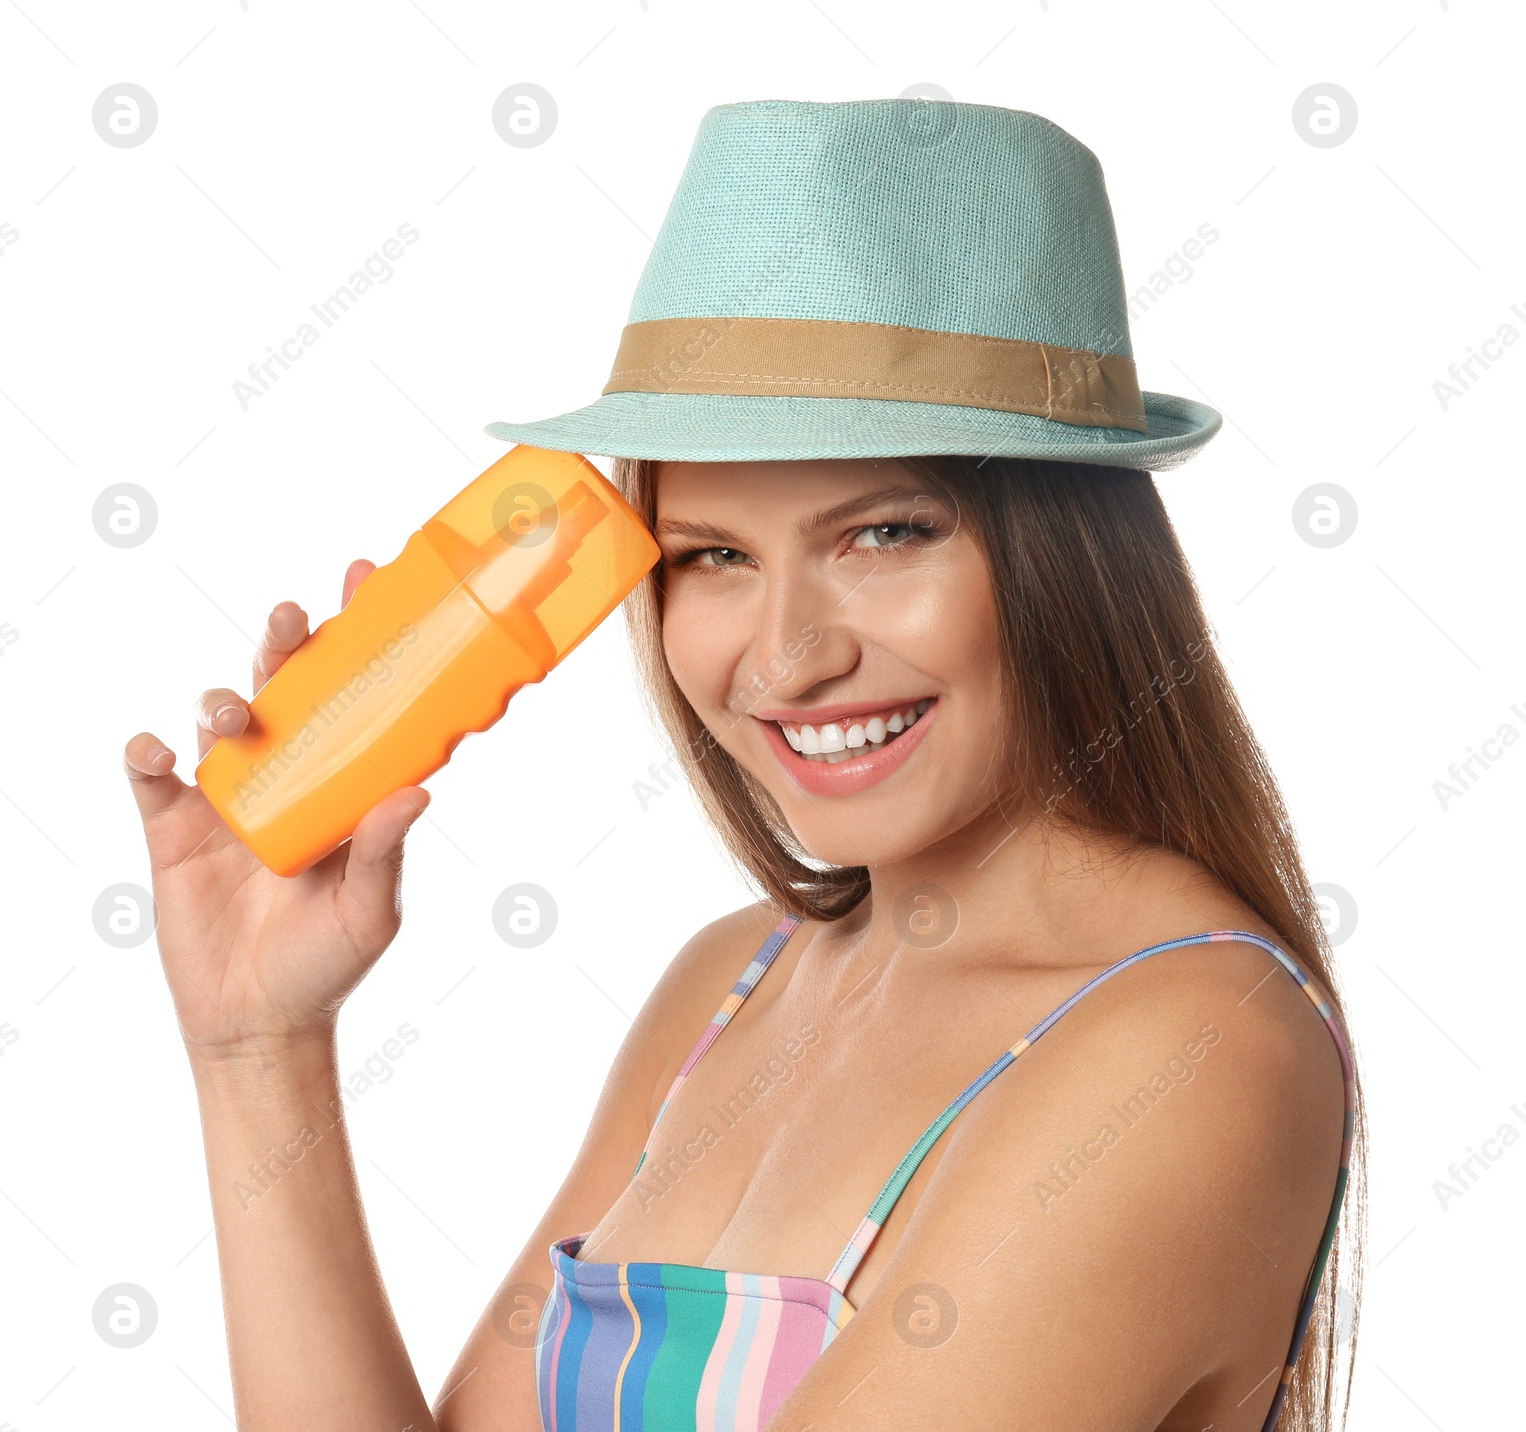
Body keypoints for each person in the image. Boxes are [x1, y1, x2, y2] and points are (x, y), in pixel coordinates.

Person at [123, 99, 1365, 1431]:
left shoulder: (1191, 1053)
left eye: (884, 534)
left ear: (1069, 550)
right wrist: (260, 1044)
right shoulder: (733, 985)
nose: (785, 660)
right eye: (716, 553)